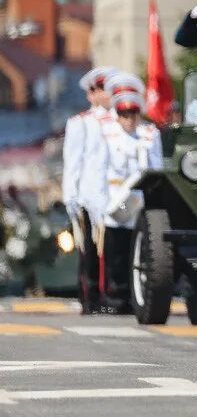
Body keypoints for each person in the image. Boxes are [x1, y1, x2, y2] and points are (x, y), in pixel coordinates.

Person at [82, 75, 163, 314]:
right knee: (114, 252)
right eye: (124, 114)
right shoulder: (106, 132)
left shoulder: (149, 134)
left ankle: (135, 294)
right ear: (117, 113)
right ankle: (115, 296)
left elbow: (156, 169)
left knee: (138, 251)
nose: (129, 120)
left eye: (133, 114)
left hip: (140, 198)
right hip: (114, 198)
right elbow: (98, 169)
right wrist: (97, 203)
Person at [62, 66, 115, 314]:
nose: (106, 94)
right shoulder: (81, 123)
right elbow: (73, 161)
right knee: (90, 251)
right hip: (88, 194)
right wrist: (70, 194)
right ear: (91, 94)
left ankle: (111, 295)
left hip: (114, 196)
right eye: (101, 90)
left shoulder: (121, 120)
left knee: (114, 249)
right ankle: (90, 296)